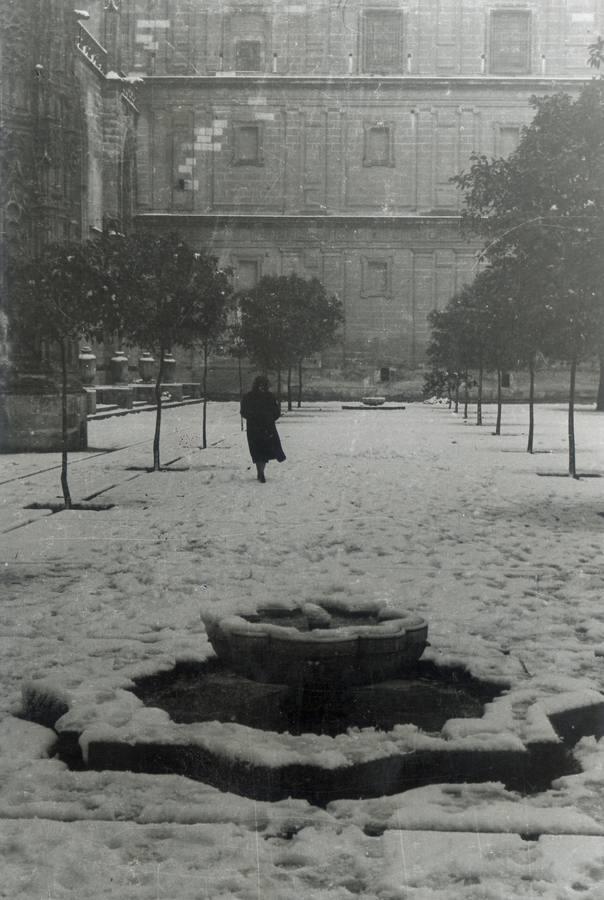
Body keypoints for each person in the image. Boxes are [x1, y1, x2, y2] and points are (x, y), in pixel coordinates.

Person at [240, 376, 286, 482]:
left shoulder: (269, 397)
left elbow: (276, 412)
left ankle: (261, 473)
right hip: (257, 428)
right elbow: (244, 411)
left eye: (263, 385)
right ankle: (260, 472)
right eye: (260, 385)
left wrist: (269, 418)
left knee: (263, 451)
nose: (261, 387)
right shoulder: (250, 397)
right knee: (257, 450)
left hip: (264, 428)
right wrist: (255, 418)